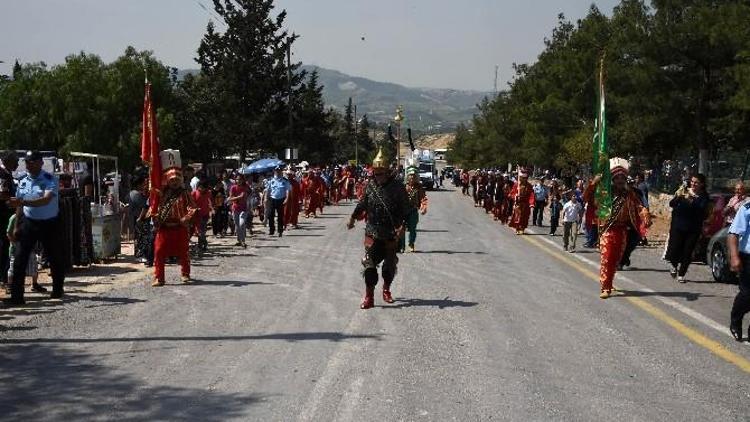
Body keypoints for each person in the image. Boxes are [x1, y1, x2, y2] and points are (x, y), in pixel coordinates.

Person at [347, 149, 408, 310]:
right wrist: (353, 217)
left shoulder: (398, 188)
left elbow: (406, 209)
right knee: (369, 265)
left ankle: (386, 289)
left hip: (390, 233)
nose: (378, 176)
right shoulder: (370, 186)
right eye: (376, 173)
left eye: (381, 173)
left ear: (387, 172)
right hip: (372, 232)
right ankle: (369, 297)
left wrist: (403, 226)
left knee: (388, 266)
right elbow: (362, 204)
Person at [3, 151, 66, 305]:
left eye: (32, 162)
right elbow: (19, 205)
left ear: (40, 163)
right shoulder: (23, 180)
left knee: (54, 257)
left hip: (49, 222)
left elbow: (45, 200)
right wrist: (16, 225)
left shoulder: (49, 179)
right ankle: (17, 297)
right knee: (19, 258)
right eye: (27, 162)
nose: (28, 165)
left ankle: (57, 288)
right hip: (29, 222)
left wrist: (23, 202)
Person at [585, 158, 650, 299]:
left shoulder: (629, 193)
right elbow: (587, 198)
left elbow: (639, 206)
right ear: (613, 179)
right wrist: (593, 183)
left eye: (623, 178)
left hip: (622, 231)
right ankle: (605, 287)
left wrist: (644, 213)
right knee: (607, 258)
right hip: (607, 230)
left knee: (616, 259)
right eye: (617, 178)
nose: (620, 180)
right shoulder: (604, 193)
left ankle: (609, 281)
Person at [152, 167, 196, 286]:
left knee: (183, 252)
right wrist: (155, 215)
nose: (174, 182)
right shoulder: (162, 193)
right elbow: (154, 207)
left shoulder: (185, 193)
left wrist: (186, 218)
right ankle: (159, 277)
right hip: (164, 227)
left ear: (180, 180)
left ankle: (185, 274)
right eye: (172, 180)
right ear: (167, 180)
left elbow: (192, 208)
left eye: (177, 180)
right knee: (159, 251)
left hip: (179, 227)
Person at [665, 174, 709, 283]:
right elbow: (672, 204)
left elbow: (701, 211)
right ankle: (674, 266)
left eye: (696, 182)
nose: (693, 184)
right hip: (678, 226)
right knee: (675, 248)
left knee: (687, 251)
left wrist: (691, 201)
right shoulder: (683, 191)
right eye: (692, 181)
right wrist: (679, 197)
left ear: (701, 184)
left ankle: (681, 274)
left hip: (693, 228)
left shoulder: (704, 197)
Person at [728, 198, 750, 341]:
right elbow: (733, 233)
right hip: (748, 257)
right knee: (748, 294)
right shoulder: (747, 208)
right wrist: (734, 256)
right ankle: (735, 320)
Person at [7, 213, 43, 293]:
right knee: (13, 269)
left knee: (34, 266)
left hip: (30, 246)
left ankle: (34, 284)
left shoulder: (31, 217)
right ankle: (10, 286)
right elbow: (9, 233)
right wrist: (15, 243)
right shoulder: (14, 218)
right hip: (16, 247)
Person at [0, 151, 19, 290]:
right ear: (7, 161)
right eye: (15, 161)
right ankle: (5, 279)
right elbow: (2, 194)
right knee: (6, 248)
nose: (17, 164)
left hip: (5, 215)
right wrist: (13, 200)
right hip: (3, 217)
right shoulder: (3, 174)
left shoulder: (6, 173)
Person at [399, 166, 428, 253]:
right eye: (410, 175)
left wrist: (424, 208)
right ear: (407, 176)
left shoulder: (419, 188)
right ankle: (402, 246)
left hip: (413, 211)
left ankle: (411, 244)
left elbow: (423, 198)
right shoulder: (402, 186)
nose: (412, 177)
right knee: (401, 229)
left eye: (414, 175)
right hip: (402, 211)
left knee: (412, 229)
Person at [267, 166, 291, 237]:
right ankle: (271, 230)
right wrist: (266, 198)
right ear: (274, 171)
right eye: (276, 171)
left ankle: (280, 230)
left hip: (281, 199)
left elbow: (287, 190)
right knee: (270, 215)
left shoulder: (285, 181)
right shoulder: (271, 180)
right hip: (272, 199)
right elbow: (268, 190)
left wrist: (287, 198)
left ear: (281, 172)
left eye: (279, 171)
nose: (278, 172)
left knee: (280, 216)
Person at [509, 170, 535, 235]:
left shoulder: (529, 186)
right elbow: (512, 193)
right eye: (523, 178)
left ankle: (522, 228)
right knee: (517, 216)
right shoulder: (516, 185)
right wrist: (515, 196)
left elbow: (531, 195)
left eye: (526, 178)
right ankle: (517, 228)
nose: (524, 179)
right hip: (518, 203)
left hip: (526, 204)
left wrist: (531, 203)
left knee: (525, 217)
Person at [228, 174, 249, 248]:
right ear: (235, 180)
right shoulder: (233, 187)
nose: (239, 181)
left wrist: (244, 196)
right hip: (235, 209)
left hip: (244, 209)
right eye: (237, 179)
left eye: (240, 179)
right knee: (237, 226)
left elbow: (246, 196)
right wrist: (239, 197)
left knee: (242, 224)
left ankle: (243, 241)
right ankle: (239, 240)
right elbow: (230, 199)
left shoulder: (245, 187)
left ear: (243, 180)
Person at [191, 181, 213, 252]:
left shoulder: (208, 193)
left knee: (202, 231)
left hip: (205, 215)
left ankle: (201, 246)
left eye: (203, 187)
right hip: (197, 215)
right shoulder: (194, 193)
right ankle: (204, 243)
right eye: (200, 187)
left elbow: (210, 201)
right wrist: (195, 208)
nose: (201, 189)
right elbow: (190, 202)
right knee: (199, 231)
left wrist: (211, 208)